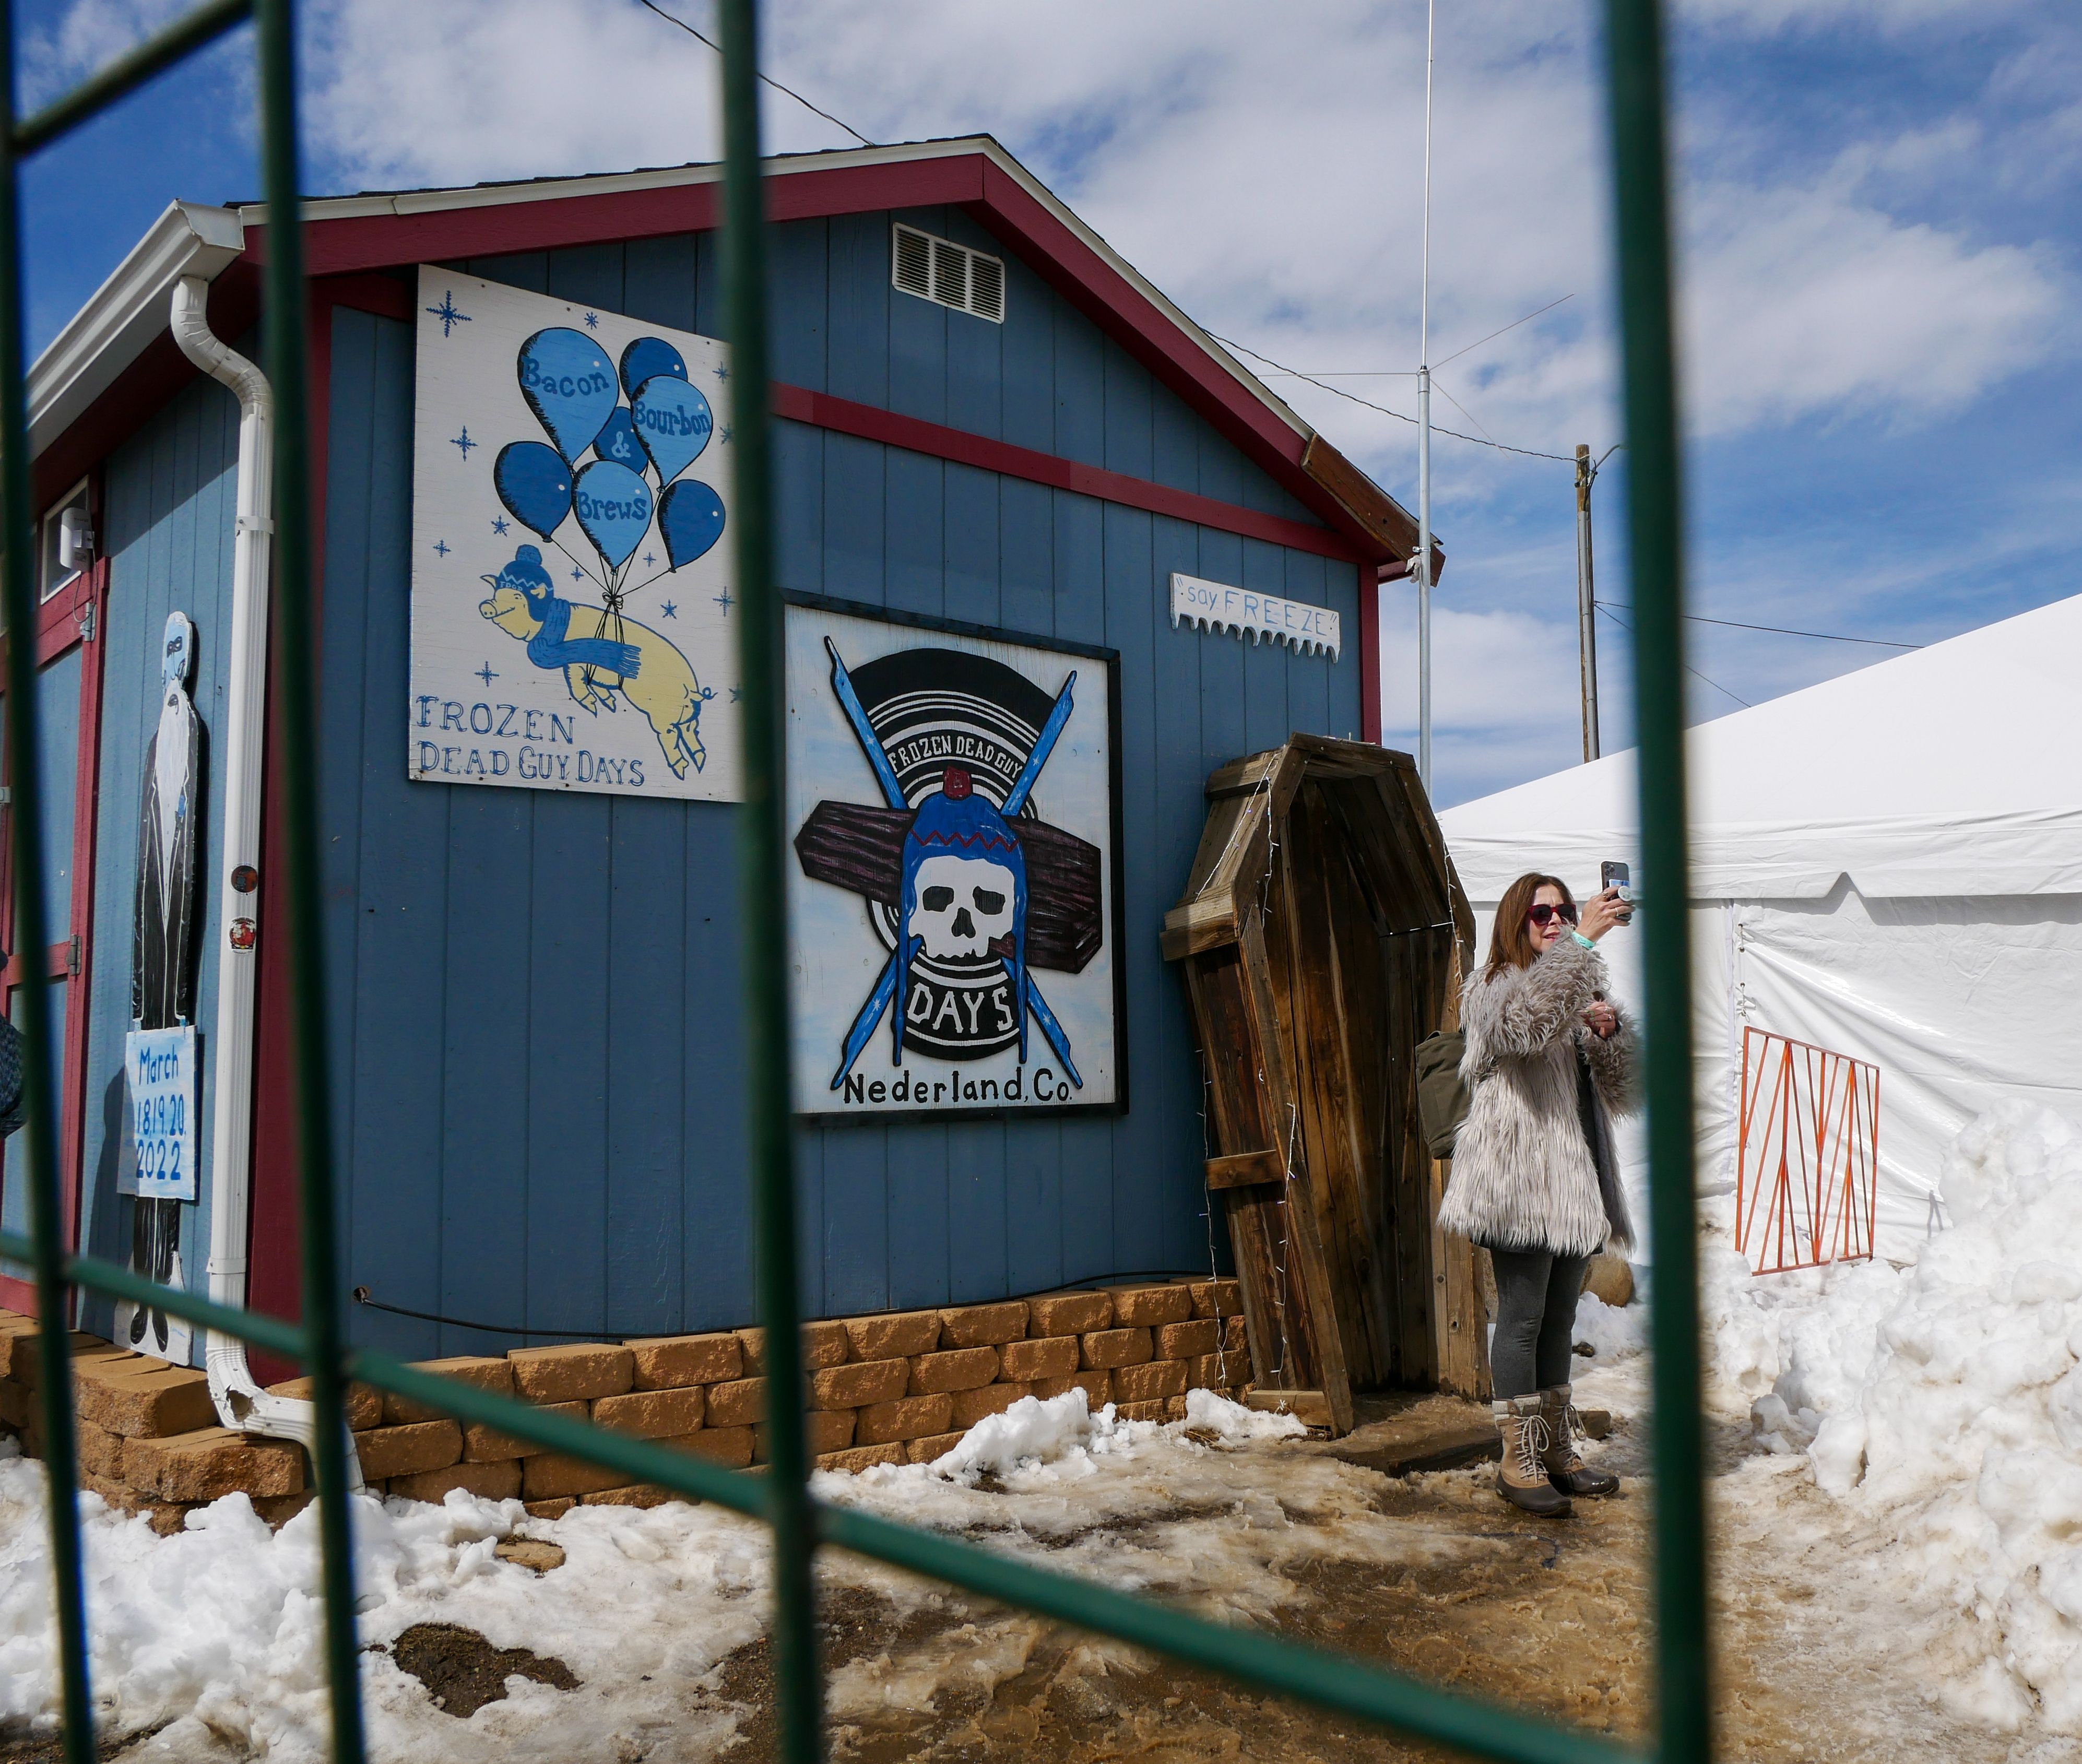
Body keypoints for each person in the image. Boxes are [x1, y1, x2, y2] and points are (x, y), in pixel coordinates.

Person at [1438, 871, 1637, 1517]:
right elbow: (1524, 1027)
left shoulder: (1577, 989)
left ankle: (1555, 1449)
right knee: (1521, 1321)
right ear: (1515, 924)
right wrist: (1582, 946)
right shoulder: (1492, 987)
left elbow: (1622, 1092)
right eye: (1540, 913)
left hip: (1577, 1189)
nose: (1555, 921)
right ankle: (1516, 1458)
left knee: (1560, 1319)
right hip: (1519, 1185)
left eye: (1565, 911)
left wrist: (1608, 1035)